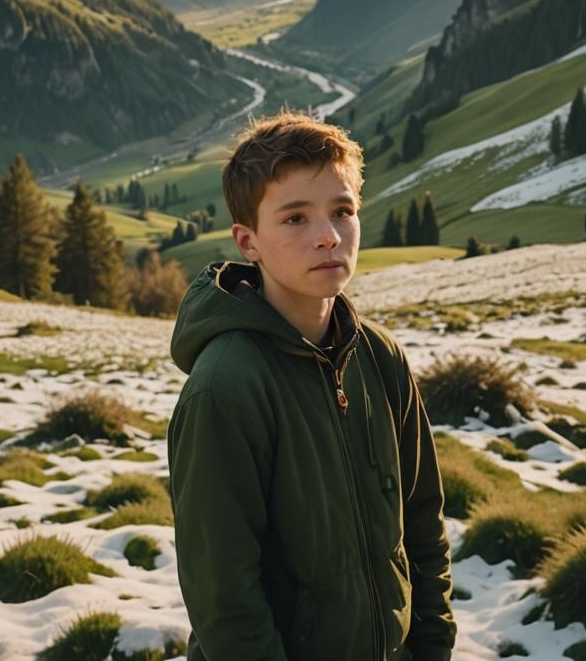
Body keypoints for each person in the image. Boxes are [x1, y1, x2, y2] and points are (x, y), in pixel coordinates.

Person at [168, 110, 456, 661]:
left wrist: (432, 649)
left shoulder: (381, 355)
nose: (328, 236)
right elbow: (224, 598)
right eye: (295, 218)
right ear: (247, 241)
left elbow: (423, 526)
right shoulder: (224, 388)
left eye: (342, 211)